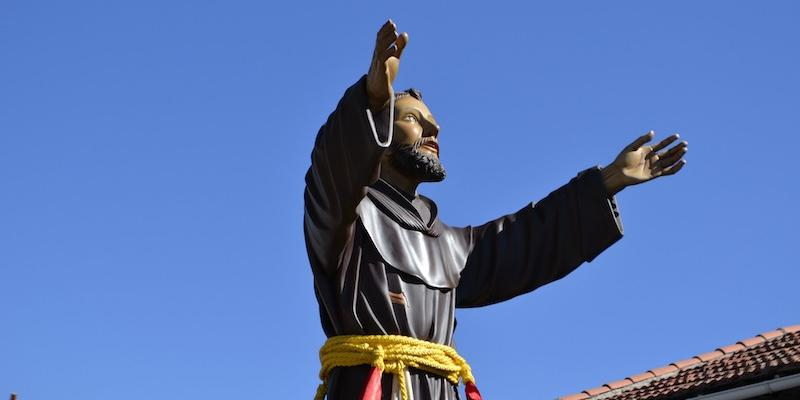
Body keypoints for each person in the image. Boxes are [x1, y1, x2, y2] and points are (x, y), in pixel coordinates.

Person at [304, 20, 688, 400]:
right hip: (371, 388)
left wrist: (605, 183)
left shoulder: (449, 243)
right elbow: (329, 174)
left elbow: (524, 238)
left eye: (434, 125)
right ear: (379, 135)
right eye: (412, 119)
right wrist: (370, 100)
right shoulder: (347, 218)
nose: (433, 132)